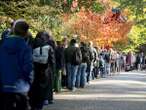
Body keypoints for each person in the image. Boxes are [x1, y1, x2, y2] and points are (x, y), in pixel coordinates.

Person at [0, 20, 33, 110]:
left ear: (13, 30)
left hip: (5, 86)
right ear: (26, 32)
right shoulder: (25, 47)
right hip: (20, 86)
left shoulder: (3, 45)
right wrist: (29, 82)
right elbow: (28, 67)